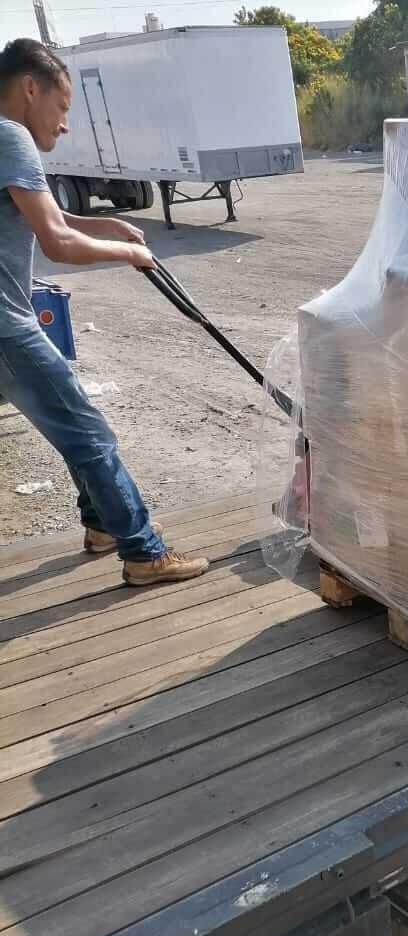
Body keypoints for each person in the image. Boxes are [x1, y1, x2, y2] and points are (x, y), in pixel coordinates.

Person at [0, 38, 208, 586]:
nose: (65, 124)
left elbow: (49, 217)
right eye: (62, 106)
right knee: (89, 434)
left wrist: (108, 225)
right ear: (30, 89)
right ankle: (143, 551)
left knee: (73, 422)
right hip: (6, 328)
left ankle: (101, 526)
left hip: (8, 324)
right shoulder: (10, 135)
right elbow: (57, 242)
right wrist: (129, 253)